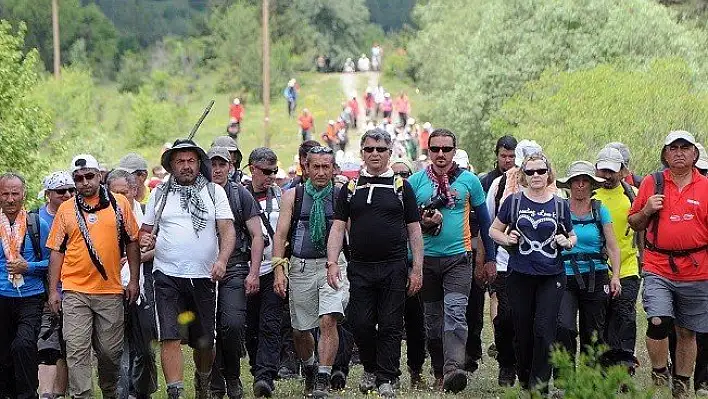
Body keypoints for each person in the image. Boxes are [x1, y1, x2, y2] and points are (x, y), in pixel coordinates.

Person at [327, 129, 424, 398]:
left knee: (391, 325)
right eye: (369, 149)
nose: (375, 154)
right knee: (361, 323)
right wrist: (332, 262)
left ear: (390, 153)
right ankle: (370, 367)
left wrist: (417, 268)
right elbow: (337, 229)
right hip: (360, 267)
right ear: (362, 153)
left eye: (380, 150)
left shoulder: (401, 187)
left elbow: (414, 230)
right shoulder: (350, 188)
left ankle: (387, 378)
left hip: (394, 266)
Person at [140, 140, 236, 399]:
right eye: (180, 161)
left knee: (205, 342)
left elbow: (227, 230)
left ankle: (203, 380)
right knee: (169, 335)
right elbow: (146, 232)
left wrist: (222, 260)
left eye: (191, 161)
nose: (186, 166)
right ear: (171, 165)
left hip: (204, 275)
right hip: (166, 275)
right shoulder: (160, 194)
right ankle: (176, 392)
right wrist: (145, 240)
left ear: (198, 164)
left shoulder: (215, 193)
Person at [408, 130, 496, 393]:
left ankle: (453, 369)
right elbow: (407, 224)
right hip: (426, 261)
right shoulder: (414, 183)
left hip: (458, 258)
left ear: (454, 151)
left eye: (446, 149)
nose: (441, 154)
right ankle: (438, 369)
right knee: (433, 321)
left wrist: (489, 258)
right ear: (428, 151)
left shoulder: (469, 181)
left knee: (456, 314)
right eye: (435, 149)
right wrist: (423, 224)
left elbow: (485, 220)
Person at [46, 154, 141, 399]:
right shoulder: (66, 210)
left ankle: (109, 390)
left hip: (110, 290)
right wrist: (54, 291)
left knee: (109, 352)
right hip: (75, 291)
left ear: (99, 176)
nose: (85, 182)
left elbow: (132, 242)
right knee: (77, 350)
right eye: (79, 179)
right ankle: (82, 395)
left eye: (90, 176)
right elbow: (56, 251)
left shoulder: (120, 204)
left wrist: (132, 280)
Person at [628, 131, 708, 398]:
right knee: (659, 320)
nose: (679, 153)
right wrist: (648, 209)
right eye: (673, 148)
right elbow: (634, 223)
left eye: (685, 148)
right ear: (665, 154)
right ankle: (659, 371)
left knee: (687, 330)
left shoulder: (706, 187)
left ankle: (682, 383)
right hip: (658, 264)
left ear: (694, 154)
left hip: (697, 269)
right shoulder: (653, 183)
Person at [488, 152, 576, 392]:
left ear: (548, 173)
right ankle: (526, 379)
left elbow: (571, 234)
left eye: (541, 171)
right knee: (523, 331)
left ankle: (540, 386)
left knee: (545, 330)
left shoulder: (559, 203)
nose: (536, 176)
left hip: (551, 275)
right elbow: (493, 230)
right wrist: (507, 238)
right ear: (523, 175)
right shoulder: (514, 201)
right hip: (520, 274)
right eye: (531, 172)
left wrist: (566, 241)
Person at [272, 145, 349, 398]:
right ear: (305, 167)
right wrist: (278, 270)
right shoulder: (291, 196)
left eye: (326, 166)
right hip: (300, 266)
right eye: (315, 166)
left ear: (333, 168)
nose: (320, 172)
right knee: (300, 329)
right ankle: (310, 367)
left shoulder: (341, 196)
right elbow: (281, 234)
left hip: (333, 265)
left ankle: (324, 377)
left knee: (329, 318)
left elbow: (353, 233)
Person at [484, 139, 547, 387]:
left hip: (542, 266)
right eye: (525, 169)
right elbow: (490, 223)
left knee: (535, 320)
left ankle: (530, 370)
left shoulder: (553, 192)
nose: (530, 175)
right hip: (505, 262)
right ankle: (507, 364)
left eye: (536, 170)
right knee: (507, 317)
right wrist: (488, 257)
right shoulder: (500, 187)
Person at [206, 146, 265, 399]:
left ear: (230, 166)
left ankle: (232, 376)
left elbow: (257, 235)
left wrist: (253, 272)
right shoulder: (195, 194)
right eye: (212, 164)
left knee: (231, 324)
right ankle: (214, 381)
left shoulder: (240, 195)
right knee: (208, 329)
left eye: (222, 164)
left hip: (235, 267)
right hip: (201, 269)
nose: (217, 169)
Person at [554, 161, 622, 362]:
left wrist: (616, 276)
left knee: (593, 332)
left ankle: (591, 381)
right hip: (565, 275)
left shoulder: (600, 210)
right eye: (577, 181)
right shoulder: (560, 210)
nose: (581, 185)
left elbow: (612, 245)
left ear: (592, 184)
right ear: (570, 184)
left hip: (596, 274)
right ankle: (563, 380)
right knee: (563, 327)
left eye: (585, 180)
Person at [106, 169, 158, 399]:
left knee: (145, 350)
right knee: (116, 349)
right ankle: (123, 392)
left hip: (143, 290)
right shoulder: (101, 219)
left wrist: (143, 251)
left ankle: (142, 390)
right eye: (114, 192)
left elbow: (162, 248)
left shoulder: (147, 217)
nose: (119, 198)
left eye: (124, 193)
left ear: (134, 191)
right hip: (111, 291)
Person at [0, 172, 50, 399]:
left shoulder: (36, 224)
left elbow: (54, 261)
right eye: (5, 194)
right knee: (4, 352)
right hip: (1, 296)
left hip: (31, 295)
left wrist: (27, 267)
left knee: (24, 344)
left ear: (23, 195)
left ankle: (28, 394)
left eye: (15, 193)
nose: (10, 199)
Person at [594, 147, 642, 372]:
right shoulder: (590, 196)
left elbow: (643, 230)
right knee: (602, 320)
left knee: (625, 316)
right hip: (598, 269)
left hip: (629, 267)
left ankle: (624, 365)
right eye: (603, 170)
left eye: (612, 170)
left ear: (623, 171)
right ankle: (604, 366)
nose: (607, 175)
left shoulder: (634, 194)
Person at [244, 148, 286, 398]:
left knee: (270, 323)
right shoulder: (237, 196)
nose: (271, 176)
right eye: (266, 171)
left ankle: (265, 376)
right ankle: (255, 367)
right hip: (244, 270)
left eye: (274, 171)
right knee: (249, 325)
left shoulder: (281, 198)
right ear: (252, 169)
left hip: (273, 268)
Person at [36, 171, 75, 399]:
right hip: (45, 290)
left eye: (71, 190)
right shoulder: (37, 220)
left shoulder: (79, 213)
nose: (67, 194)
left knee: (70, 344)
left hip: (76, 287)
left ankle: (62, 391)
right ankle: (48, 393)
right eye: (61, 191)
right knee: (48, 344)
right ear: (48, 194)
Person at [389, 158, 427, 388]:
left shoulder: (413, 201)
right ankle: (389, 371)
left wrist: (417, 269)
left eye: (405, 174)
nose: (401, 178)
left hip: (412, 267)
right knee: (389, 323)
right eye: (396, 175)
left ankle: (416, 370)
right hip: (388, 269)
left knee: (415, 323)